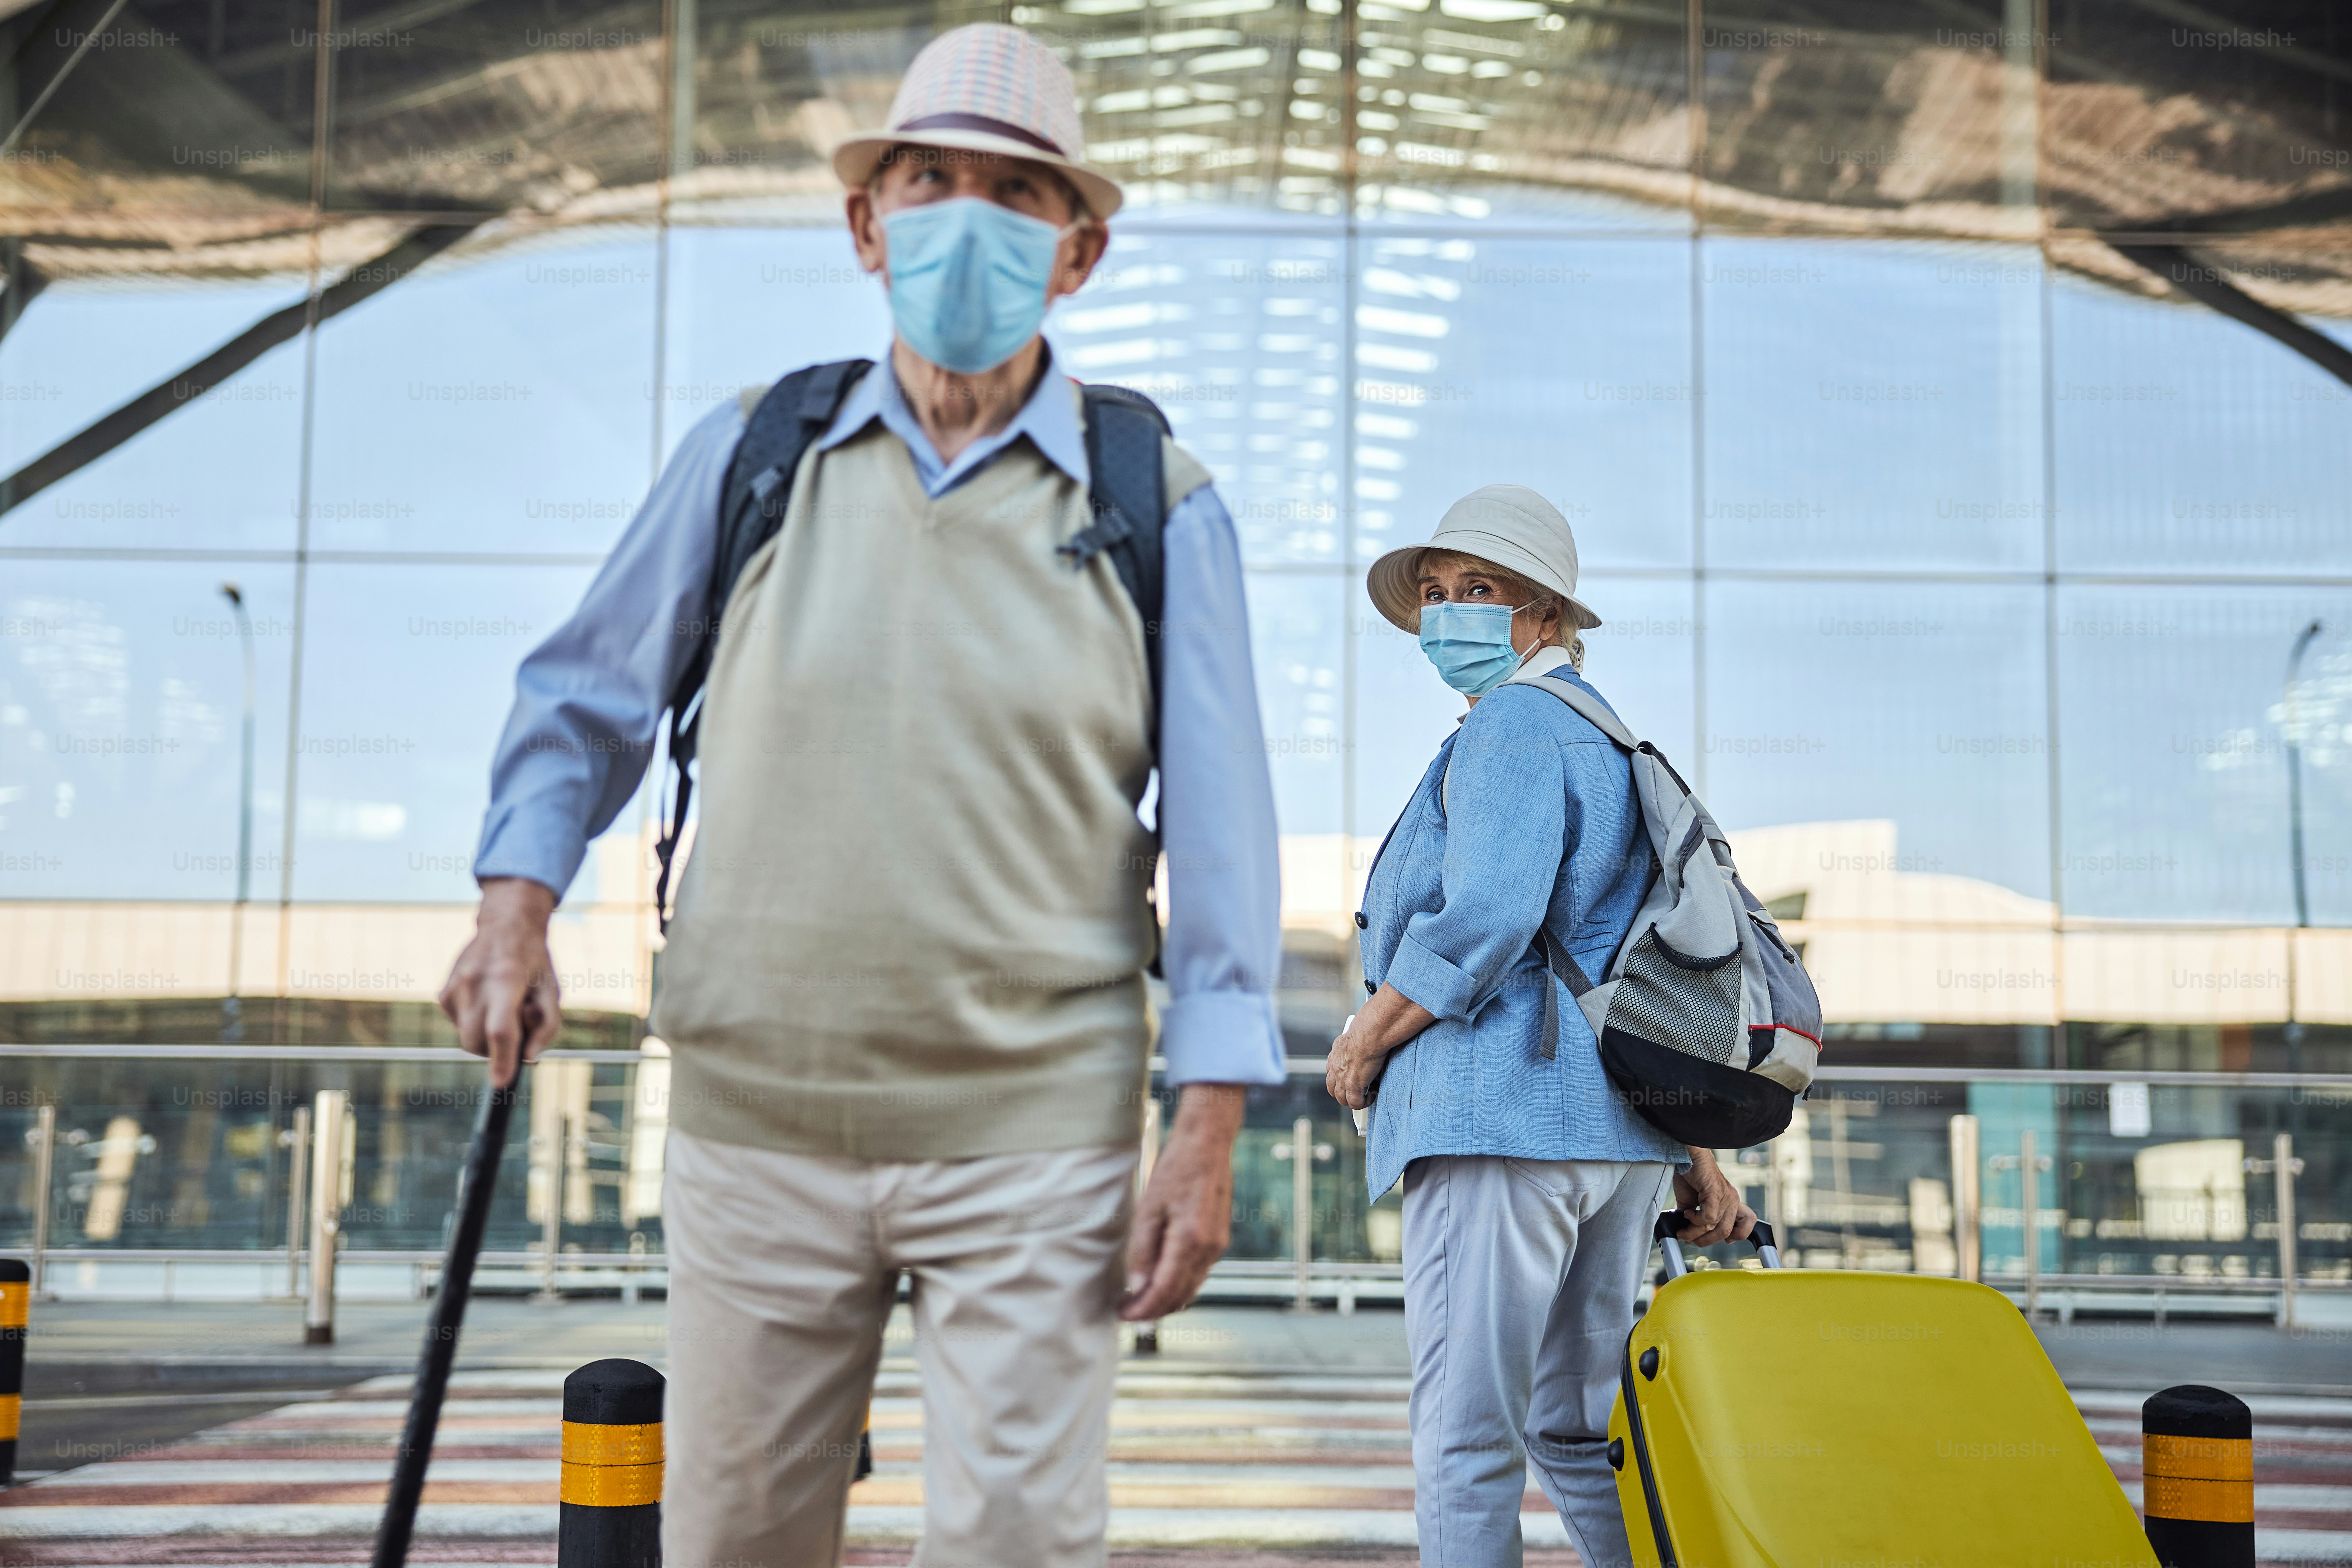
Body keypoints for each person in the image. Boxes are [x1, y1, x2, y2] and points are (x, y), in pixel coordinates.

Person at [436, 25, 1285, 1567]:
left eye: (1017, 194)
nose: (968, 219)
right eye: (929, 180)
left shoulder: (1151, 498)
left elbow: (1224, 834)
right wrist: (516, 904)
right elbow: (584, 697)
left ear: (1079, 251)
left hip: (1035, 1142)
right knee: (736, 1538)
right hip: (758, 1129)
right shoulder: (759, 452)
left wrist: (1206, 1123)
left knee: (1016, 1546)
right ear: (865, 224)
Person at [1324, 485, 1757, 1568]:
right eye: (1435, 593)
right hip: (1615, 1142)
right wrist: (1692, 1149)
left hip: (1501, 1123)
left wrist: (1367, 1035)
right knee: (1579, 1427)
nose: (1448, 612)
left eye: (1482, 591)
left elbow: (1486, 918)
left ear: (1548, 613)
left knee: (1468, 1433)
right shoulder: (1610, 740)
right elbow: (1638, 965)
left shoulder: (1515, 722)